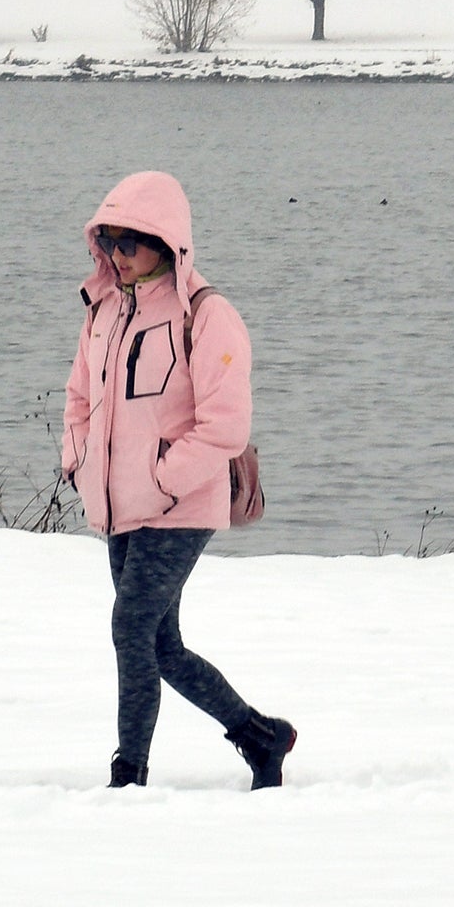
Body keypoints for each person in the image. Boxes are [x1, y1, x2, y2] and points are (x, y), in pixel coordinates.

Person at [61, 170, 297, 791]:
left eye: (129, 242)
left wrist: (165, 479)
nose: (117, 255)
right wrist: (77, 456)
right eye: (107, 241)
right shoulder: (103, 311)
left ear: (166, 242)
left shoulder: (207, 315)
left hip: (180, 506)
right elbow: (79, 396)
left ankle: (128, 773)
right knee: (160, 646)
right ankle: (261, 736)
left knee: (129, 627)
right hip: (118, 505)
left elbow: (225, 426)